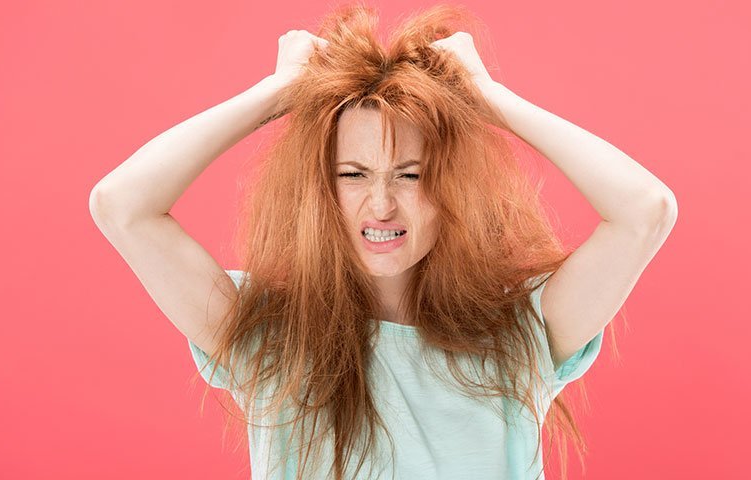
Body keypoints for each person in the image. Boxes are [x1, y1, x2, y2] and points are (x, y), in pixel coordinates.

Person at [89, 4, 677, 480]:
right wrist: (279, 92)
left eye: (410, 174)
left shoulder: (520, 333)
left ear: (451, 186)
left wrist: (487, 97)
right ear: (323, 189)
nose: (381, 204)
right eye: (353, 174)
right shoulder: (269, 338)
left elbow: (645, 211)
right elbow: (122, 205)